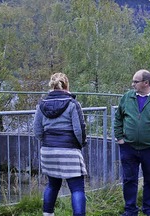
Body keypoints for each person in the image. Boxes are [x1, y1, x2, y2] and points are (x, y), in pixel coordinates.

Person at [114, 69, 150, 216]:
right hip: (128, 147)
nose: (132, 84)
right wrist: (120, 137)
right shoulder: (127, 97)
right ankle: (130, 209)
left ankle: (148, 209)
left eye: (136, 81)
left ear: (146, 83)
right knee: (129, 179)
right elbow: (118, 118)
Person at [33, 73, 87, 216]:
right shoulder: (72, 104)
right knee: (77, 189)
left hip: (48, 151)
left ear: (51, 85)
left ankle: (47, 214)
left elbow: (37, 131)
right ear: (67, 85)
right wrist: (80, 144)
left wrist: (48, 143)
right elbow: (78, 129)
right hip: (69, 151)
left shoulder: (41, 105)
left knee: (52, 185)